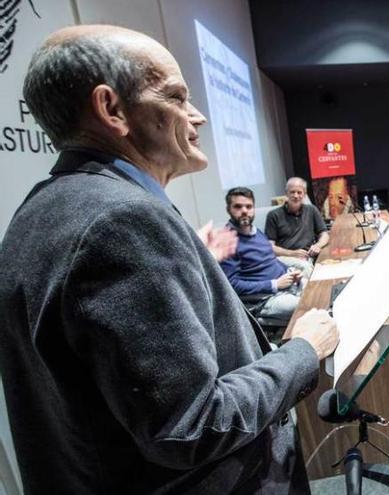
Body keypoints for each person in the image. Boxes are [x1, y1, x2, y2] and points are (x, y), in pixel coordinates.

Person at [0, 25, 339, 494]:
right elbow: (191, 426)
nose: (197, 116)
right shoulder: (123, 220)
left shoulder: (41, 209)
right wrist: (301, 351)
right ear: (112, 109)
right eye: (178, 97)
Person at [222, 187, 303, 328]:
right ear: (228, 209)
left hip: (285, 286)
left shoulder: (256, 231)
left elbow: (270, 259)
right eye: (238, 207)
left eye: (249, 206)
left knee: (316, 290)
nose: (244, 211)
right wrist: (274, 284)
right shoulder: (226, 241)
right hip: (263, 300)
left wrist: (289, 270)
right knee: (305, 306)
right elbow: (232, 285)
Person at [266, 177, 330, 276]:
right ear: (286, 193)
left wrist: (318, 246)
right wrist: (292, 253)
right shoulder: (273, 215)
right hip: (285, 257)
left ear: (304, 194)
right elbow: (270, 247)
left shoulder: (311, 210)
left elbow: (324, 234)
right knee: (305, 268)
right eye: (292, 192)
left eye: (299, 192)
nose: (296, 196)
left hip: (308, 255)